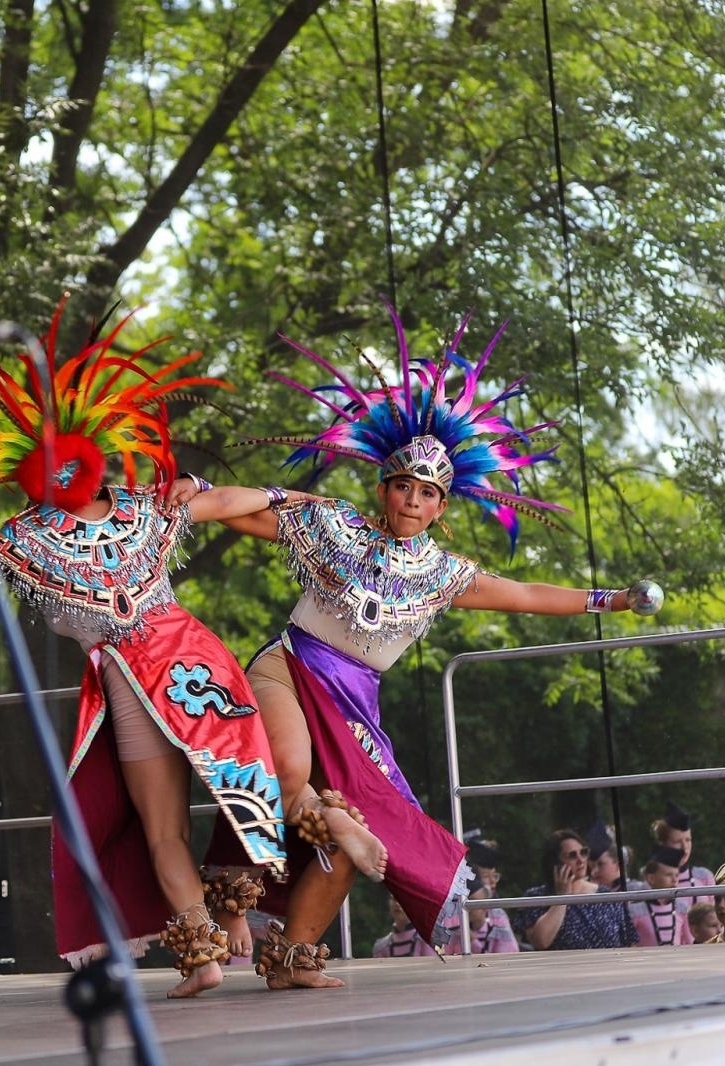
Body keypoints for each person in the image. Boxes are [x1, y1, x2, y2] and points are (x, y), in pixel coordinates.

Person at [0, 310, 296, 998]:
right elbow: (224, 501)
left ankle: (205, 952)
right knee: (253, 785)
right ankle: (236, 920)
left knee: (163, 831)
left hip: (131, 674)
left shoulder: (30, 534)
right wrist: (295, 495)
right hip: (192, 664)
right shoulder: (144, 507)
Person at [193, 308, 661, 988]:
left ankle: (292, 957)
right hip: (290, 669)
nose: (414, 499)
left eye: (428, 493)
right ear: (384, 489)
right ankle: (235, 900)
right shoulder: (334, 527)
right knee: (288, 771)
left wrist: (609, 600)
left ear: (442, 507)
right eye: (404, 486)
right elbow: (249, 510)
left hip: (354, 706)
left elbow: (526, 594)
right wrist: (191, 499)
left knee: (362, 843)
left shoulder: (444, 575)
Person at [510, 829, 637, 951]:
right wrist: (562, 897)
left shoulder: (607, 896)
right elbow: (541, 941)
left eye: (583, 852)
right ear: (555, 863)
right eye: (572, 856)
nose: (581, 860)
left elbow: (630, 942)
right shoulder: (537, 896)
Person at [443, 833, 518, 954]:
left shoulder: (497, 915)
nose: (493, 882)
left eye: (495, 875)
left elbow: (509, 956)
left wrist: (472, 941)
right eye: (486, 876)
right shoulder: (448, 915)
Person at [630, 845, 693, 946]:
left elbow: (689, 941)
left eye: (677, 875)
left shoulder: (682, 908)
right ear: (651, 878)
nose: (674, 880)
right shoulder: (636, 910)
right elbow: (630, 945)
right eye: (668, 875)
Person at [654, 801, 714, 907]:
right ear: (663, 844)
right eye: (677, 842)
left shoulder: (704, 876)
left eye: (688, 840)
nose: (684, 847)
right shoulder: (654, 879)